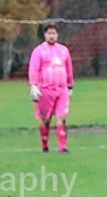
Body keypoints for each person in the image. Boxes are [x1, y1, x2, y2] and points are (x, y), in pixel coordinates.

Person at [28, 23, 74, 152]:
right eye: (49, 33)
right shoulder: (39, 51)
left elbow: (69, 68)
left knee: (61, 117)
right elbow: (34, 69)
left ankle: (62, 146)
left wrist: (70, 86)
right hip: (45, 90)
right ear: (45, 35)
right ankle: (45, 144)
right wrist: (33, 85)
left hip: (62, 90)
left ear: (57, 35)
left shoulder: (63, 50)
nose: (51, 36)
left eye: (54, 33)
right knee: (46, 120)